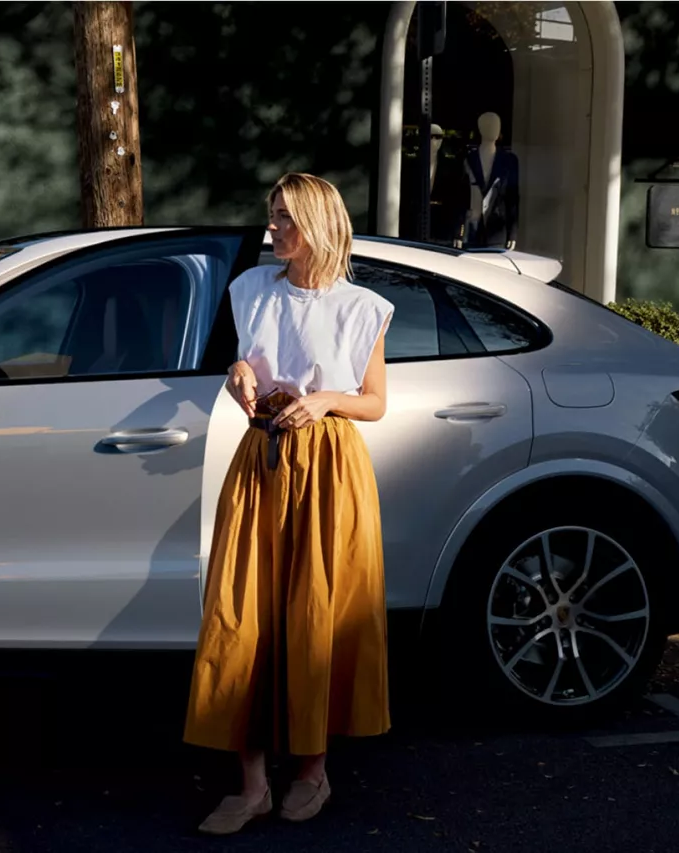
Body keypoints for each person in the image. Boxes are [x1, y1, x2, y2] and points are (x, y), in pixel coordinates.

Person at [183, 172, 395, 835]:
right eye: (271, 216)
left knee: (314, 613)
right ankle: (250, 786)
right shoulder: (249, 289)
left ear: (318, 225)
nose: (271, 228)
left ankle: (311, 772)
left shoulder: (363, 308)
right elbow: (244, 366)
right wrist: (239, 373)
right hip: (262, 457)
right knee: (242, 614)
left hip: (330, 466)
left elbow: (375, 402)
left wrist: (327, 399)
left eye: (284, 219)